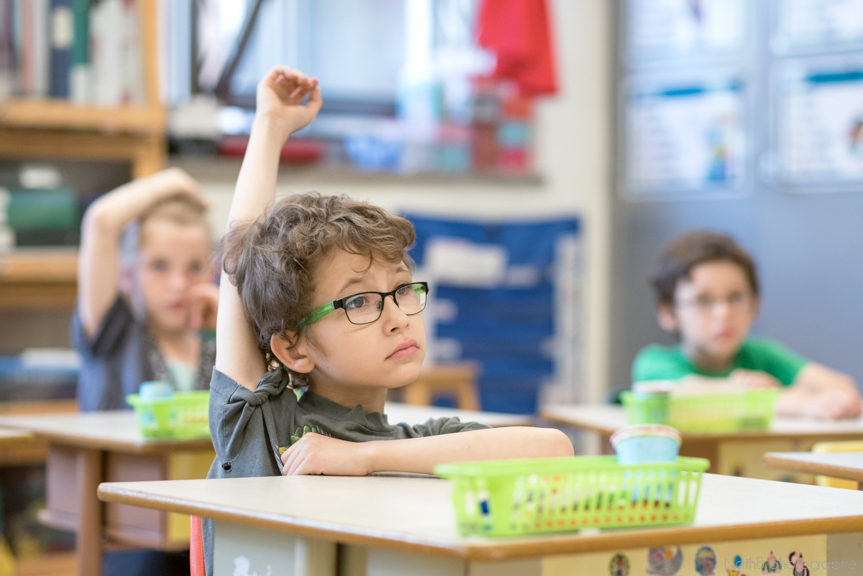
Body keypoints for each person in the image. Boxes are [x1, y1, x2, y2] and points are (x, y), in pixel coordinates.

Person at [204, 66, 574, 571]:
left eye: (401, 289)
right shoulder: (265, 425)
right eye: (358, 302)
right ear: (294, 348)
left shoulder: (411, 444)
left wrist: (365, 458)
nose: (398, 317)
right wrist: (270, 127)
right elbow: (238, 267)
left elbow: (551, 449)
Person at [632, 230, 862, 420]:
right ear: (668, 313)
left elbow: (841, 386)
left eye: (735, 298)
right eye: (703, 301)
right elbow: (686, 393)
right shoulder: (653, 362)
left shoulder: (762, 356)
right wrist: (793, 401)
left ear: (755, 306)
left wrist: (782, 395)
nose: (723, 313)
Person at [73, 168, 219, 411]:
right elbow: (101, 221)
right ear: (128, 274)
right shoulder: (113, 335)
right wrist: (170, 182)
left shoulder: (220, 347)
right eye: (159, 266)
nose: (179, 284)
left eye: (194, 267)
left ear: (213, 273)